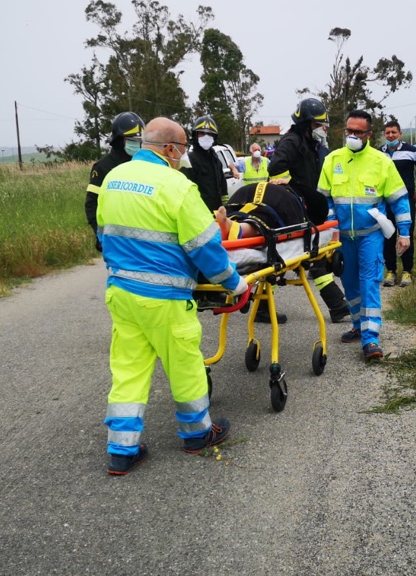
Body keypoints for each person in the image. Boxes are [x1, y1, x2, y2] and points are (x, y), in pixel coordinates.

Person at [97, 117, 248, 474]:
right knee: (184, 365)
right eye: (181, 149)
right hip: (165, 297)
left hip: (122, 293)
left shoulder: (112, 179)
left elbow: (105, 235)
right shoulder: (175, 185)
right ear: (169, 149)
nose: (183, 156)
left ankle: (122, 450)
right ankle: (197, 433)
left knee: (129, 370)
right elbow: (205, 246)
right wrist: (236, 285)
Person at [318, 110, 411, 361]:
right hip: (342, 238)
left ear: (369, 134)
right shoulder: (333, 159)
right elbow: (324, 198)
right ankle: (358, 326)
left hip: (370, 235)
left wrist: (405, 233)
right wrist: (328, 223)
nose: (352, 135)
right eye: (349, 130)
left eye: (358, 132)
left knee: (369, 282)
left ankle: (371, 339)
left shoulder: (381, 161)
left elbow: (399, 200)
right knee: (349, 284)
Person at [262, 97, 350, 325]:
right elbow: (274, 168)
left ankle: (337, 306)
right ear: (307, 124)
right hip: (298, 207)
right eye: (319, 124)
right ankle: (338, 306)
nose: (323, 128)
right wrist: (291, 186)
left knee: (305, 256)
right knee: (305, 257)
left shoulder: (310, 143)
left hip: (311, 204)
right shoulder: (292, 141)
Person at [379, 120, 416, 288]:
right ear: (384, 135)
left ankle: (407, 271)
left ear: (400, 134)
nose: (391, 135)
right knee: (388, 236)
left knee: (406, 235)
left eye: (394, 132)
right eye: (388, 133)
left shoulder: (411, 151)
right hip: (385, 203)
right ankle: (391, 271)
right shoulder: (379, 153)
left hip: (406, 202)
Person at [85, 111, 144, 252]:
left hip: (141, 237)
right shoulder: (103, 167)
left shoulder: (142, 164)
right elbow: (92, 203)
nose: (136, 144)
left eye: (139, 141)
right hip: (114, 239)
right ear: (119, 140)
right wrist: (100, 235)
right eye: (131, 140)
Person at [181, 115, 227, 212]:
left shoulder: (216, 160)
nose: (206, 137)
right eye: (202, 133)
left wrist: (226, 207)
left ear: (214, 137)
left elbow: (222, 187)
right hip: (198, 213)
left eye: (210, 134)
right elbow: (184, 192)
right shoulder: (189, 160)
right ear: (195, 136)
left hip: (216, 213)